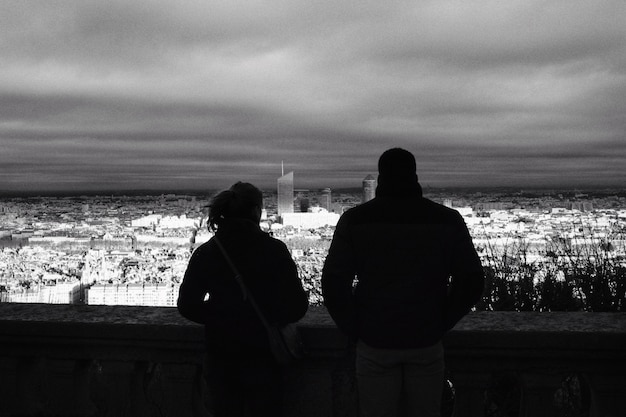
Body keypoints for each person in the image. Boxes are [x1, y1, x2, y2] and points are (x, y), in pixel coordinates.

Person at [322, 148, 484, 417]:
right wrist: (441, 320)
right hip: (425, 340)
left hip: (375, 341)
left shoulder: (355, 220)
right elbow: (472, 280)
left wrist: (356, 328)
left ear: (380, 179)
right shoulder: (446, 220)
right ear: (415, 176)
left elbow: (333, 283)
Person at [178, 182, 308, 417]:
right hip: (264, 354)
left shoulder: (207, 252)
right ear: (256, 212)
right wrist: (267, 315)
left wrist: (222, 315)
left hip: (221, 354)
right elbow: (297, 306)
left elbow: (187, 305)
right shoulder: (274, 250)